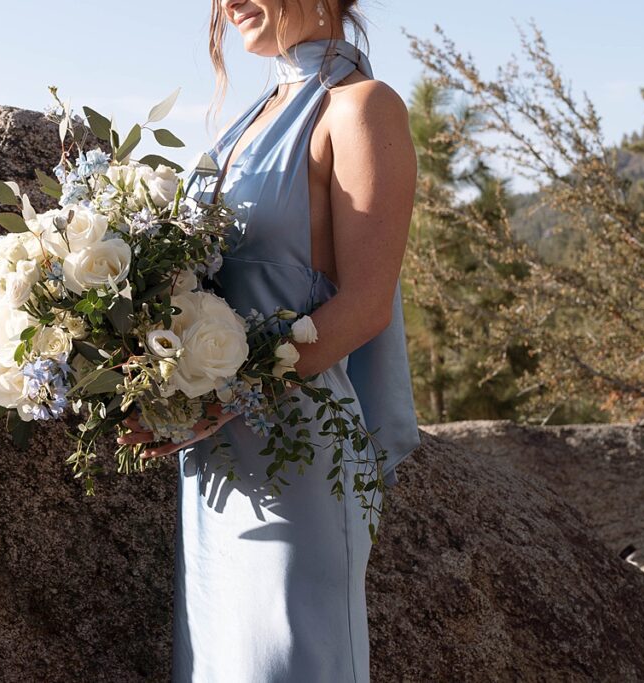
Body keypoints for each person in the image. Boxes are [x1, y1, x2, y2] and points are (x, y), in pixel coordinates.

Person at [117, 1, 422, 680]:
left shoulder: (361, 108)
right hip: (216, 465)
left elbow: (366, 305)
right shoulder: (242, 123)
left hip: (298, 460)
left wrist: (224, 393)